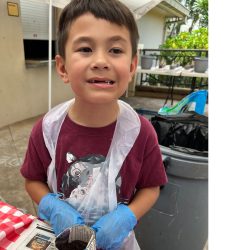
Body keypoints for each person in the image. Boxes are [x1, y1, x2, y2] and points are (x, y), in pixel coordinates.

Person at [20, 0, 167, 249]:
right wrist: (52, 207)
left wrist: (127, 216)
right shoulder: (47, 129)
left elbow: (151, 187)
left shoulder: (142, 132)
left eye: (116, 50)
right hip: (64, 239)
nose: (100, 61)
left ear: (132, 66)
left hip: (119, 242)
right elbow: (33, 180)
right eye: (86, 49)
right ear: (63, 67)